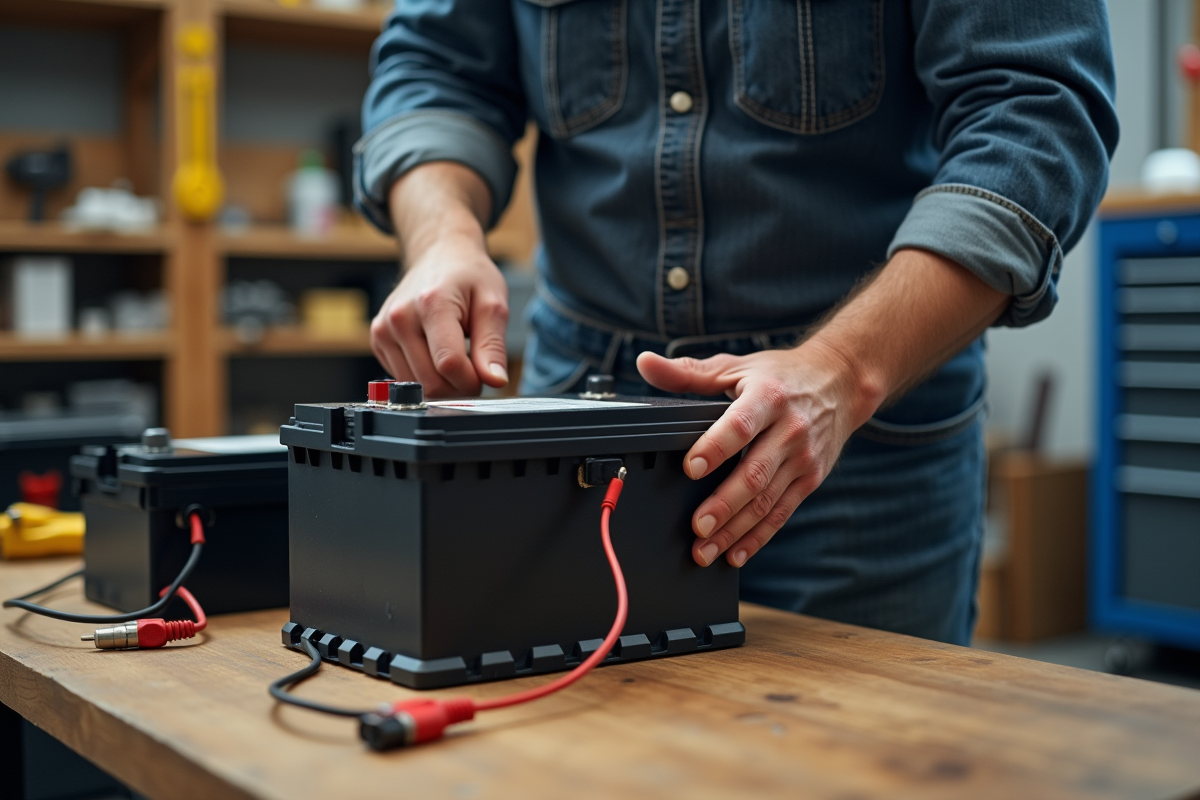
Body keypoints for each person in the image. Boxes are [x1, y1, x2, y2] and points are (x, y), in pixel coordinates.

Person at [354, 1, 1118, 645]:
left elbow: (1036, 113)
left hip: (861, 449)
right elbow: (435, 71)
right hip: (578, 430)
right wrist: (441, 236)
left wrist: (845, 371)